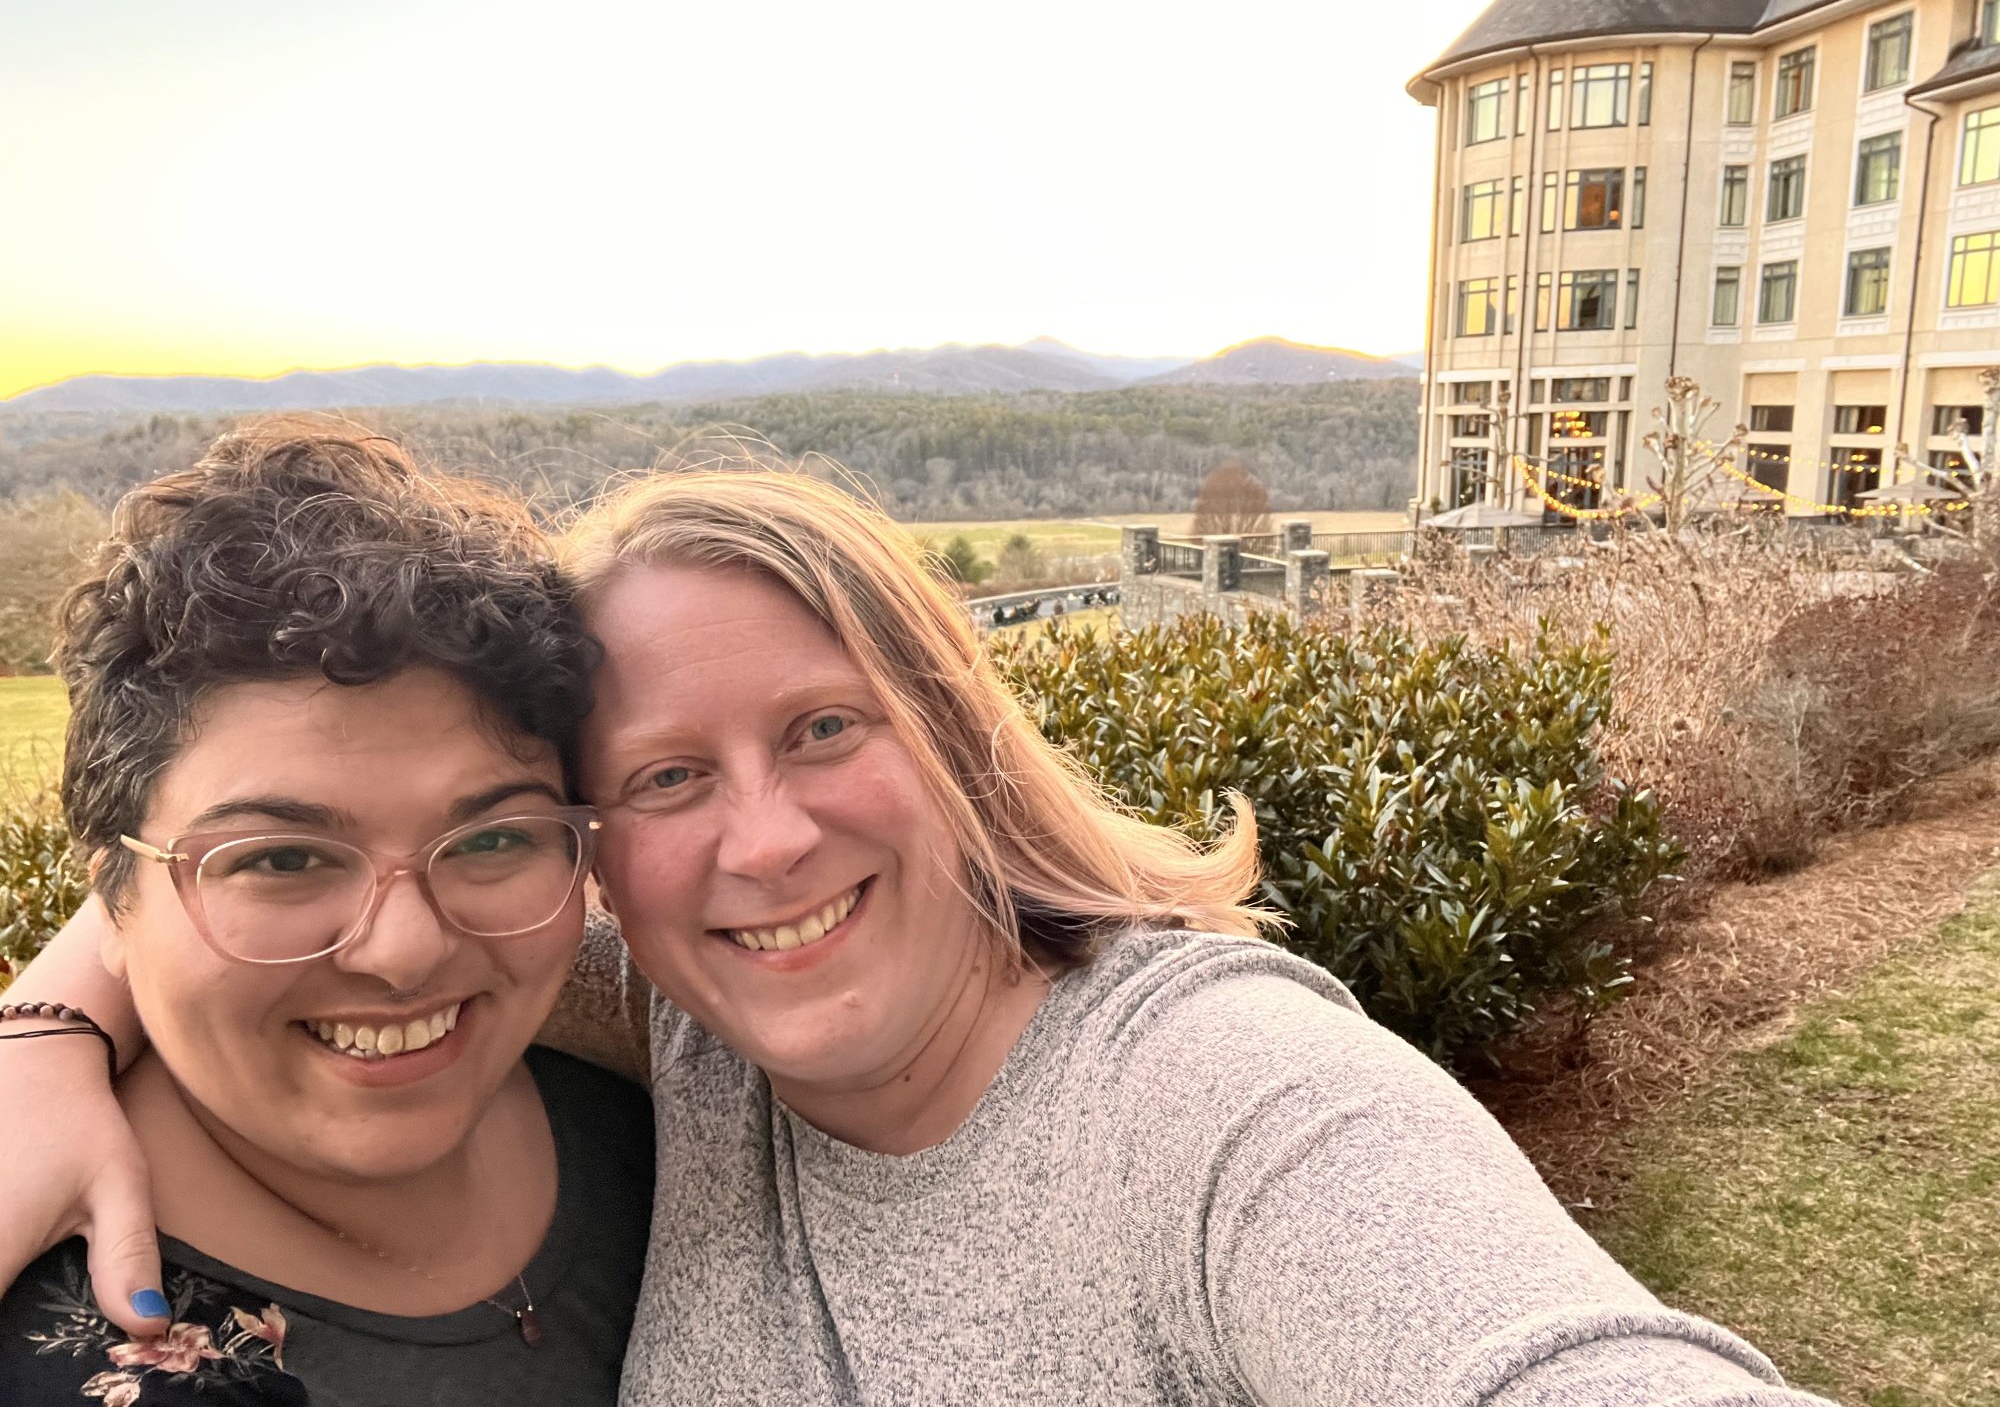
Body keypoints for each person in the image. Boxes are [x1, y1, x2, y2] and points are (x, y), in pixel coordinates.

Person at [7, 462, 1835, 1405]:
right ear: (600, 860)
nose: (763, 839)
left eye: (825, 728)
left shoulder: (1215, 1099)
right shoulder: (682, 1009)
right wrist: (46, 1034)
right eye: (664, 779)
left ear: (958, 736)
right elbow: (280, 890)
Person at [0, 424, 652, 1405]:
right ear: (115, 901)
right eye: (283, 859)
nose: (405, 951)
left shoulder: (657, 1104)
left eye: (489, 840)